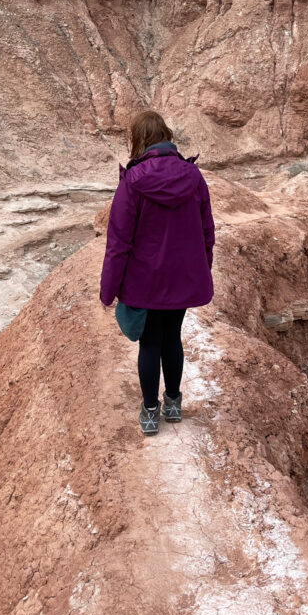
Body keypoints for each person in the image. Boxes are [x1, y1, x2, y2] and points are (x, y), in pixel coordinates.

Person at [100, 110, 215, 435]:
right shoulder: (193, 177)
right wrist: (201, 269)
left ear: (139, 141)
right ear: (166, 137)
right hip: (181, 279)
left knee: (150, 344)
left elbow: (118, 243)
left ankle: (151, 413)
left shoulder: (133, 181)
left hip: (144, 283)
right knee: (172, 338)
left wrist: (108, 291)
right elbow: (208, 230)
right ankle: (173, 403)